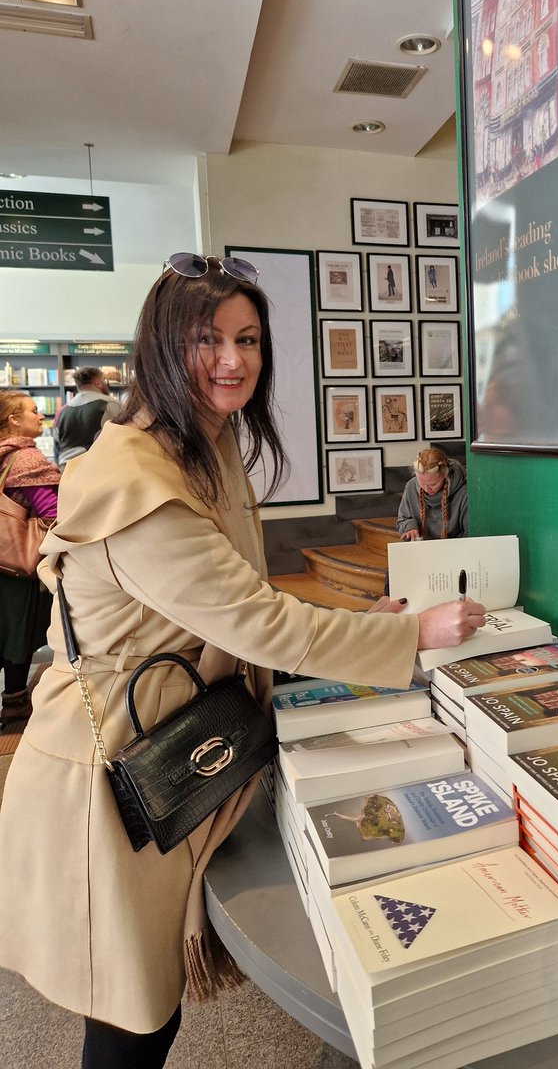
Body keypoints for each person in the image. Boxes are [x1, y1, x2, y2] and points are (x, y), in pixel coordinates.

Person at [0, 254, 485, 1068]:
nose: (234, 359)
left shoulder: (198, 445)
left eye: (249, 338)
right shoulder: (139, 482)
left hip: (159, 742)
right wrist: (410, 637)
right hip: (111, 777)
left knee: (144, 1007)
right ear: (162, 346)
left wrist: (356, 618)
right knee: (128, 1018)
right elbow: (260, 622)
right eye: (207, 339)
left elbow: (228, 599)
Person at [0, 391, 60, 728]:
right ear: (13, 420)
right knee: (18, 634)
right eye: (34, 411)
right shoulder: (25, 459)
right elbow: (51, 513)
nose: (41, 416)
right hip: (16, 566)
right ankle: (14, 705)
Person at [52, 366, 123, 465]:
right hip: (98, 467)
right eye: (104, 380)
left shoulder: (61, 411)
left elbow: (56, 448)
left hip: (67, 469)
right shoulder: (112, 405)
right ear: (98, 383)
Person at [397, 448, 468, 541]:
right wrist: (410, 527)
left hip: (455, 550)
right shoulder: (411, 486)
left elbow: (469, 534)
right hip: (421, 549)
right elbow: (402, 520)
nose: (426, 489)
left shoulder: (464, 492)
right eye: (421, 483)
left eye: (433, 484)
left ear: (445, 475)